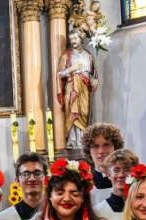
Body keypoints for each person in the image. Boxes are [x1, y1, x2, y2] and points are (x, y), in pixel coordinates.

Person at [56, 22, 98, 152]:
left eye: (75, 38)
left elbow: (93, 73)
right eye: (71, 39)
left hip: (84, 87)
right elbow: (59, 73)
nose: (73, 41)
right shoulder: (66, 56)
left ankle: (84, 140)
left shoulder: (88, 56)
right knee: (72, 113)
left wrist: (94, 82)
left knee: (84, 112)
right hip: (71, 87)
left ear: (81, 38)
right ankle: (72, 140)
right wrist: (71, 69)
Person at [0, 152, 47, 220]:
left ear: (46, 178)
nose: (32, 178)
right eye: (25, 174)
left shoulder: (56, 214)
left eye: (37, 173)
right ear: (17, 181)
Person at [83, 123, 124, 208]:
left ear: (116, 148)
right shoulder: (84, 185)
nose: (101, 151)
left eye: (106, 145)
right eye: (95, 146)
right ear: (89, 151)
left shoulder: (126, 181)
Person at [98, 148, 138, 220]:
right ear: (109, 175)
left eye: (127, 169)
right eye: (116, 170)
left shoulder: (142, 207)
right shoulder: (98, 212)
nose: (121, 175)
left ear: (135, 173)